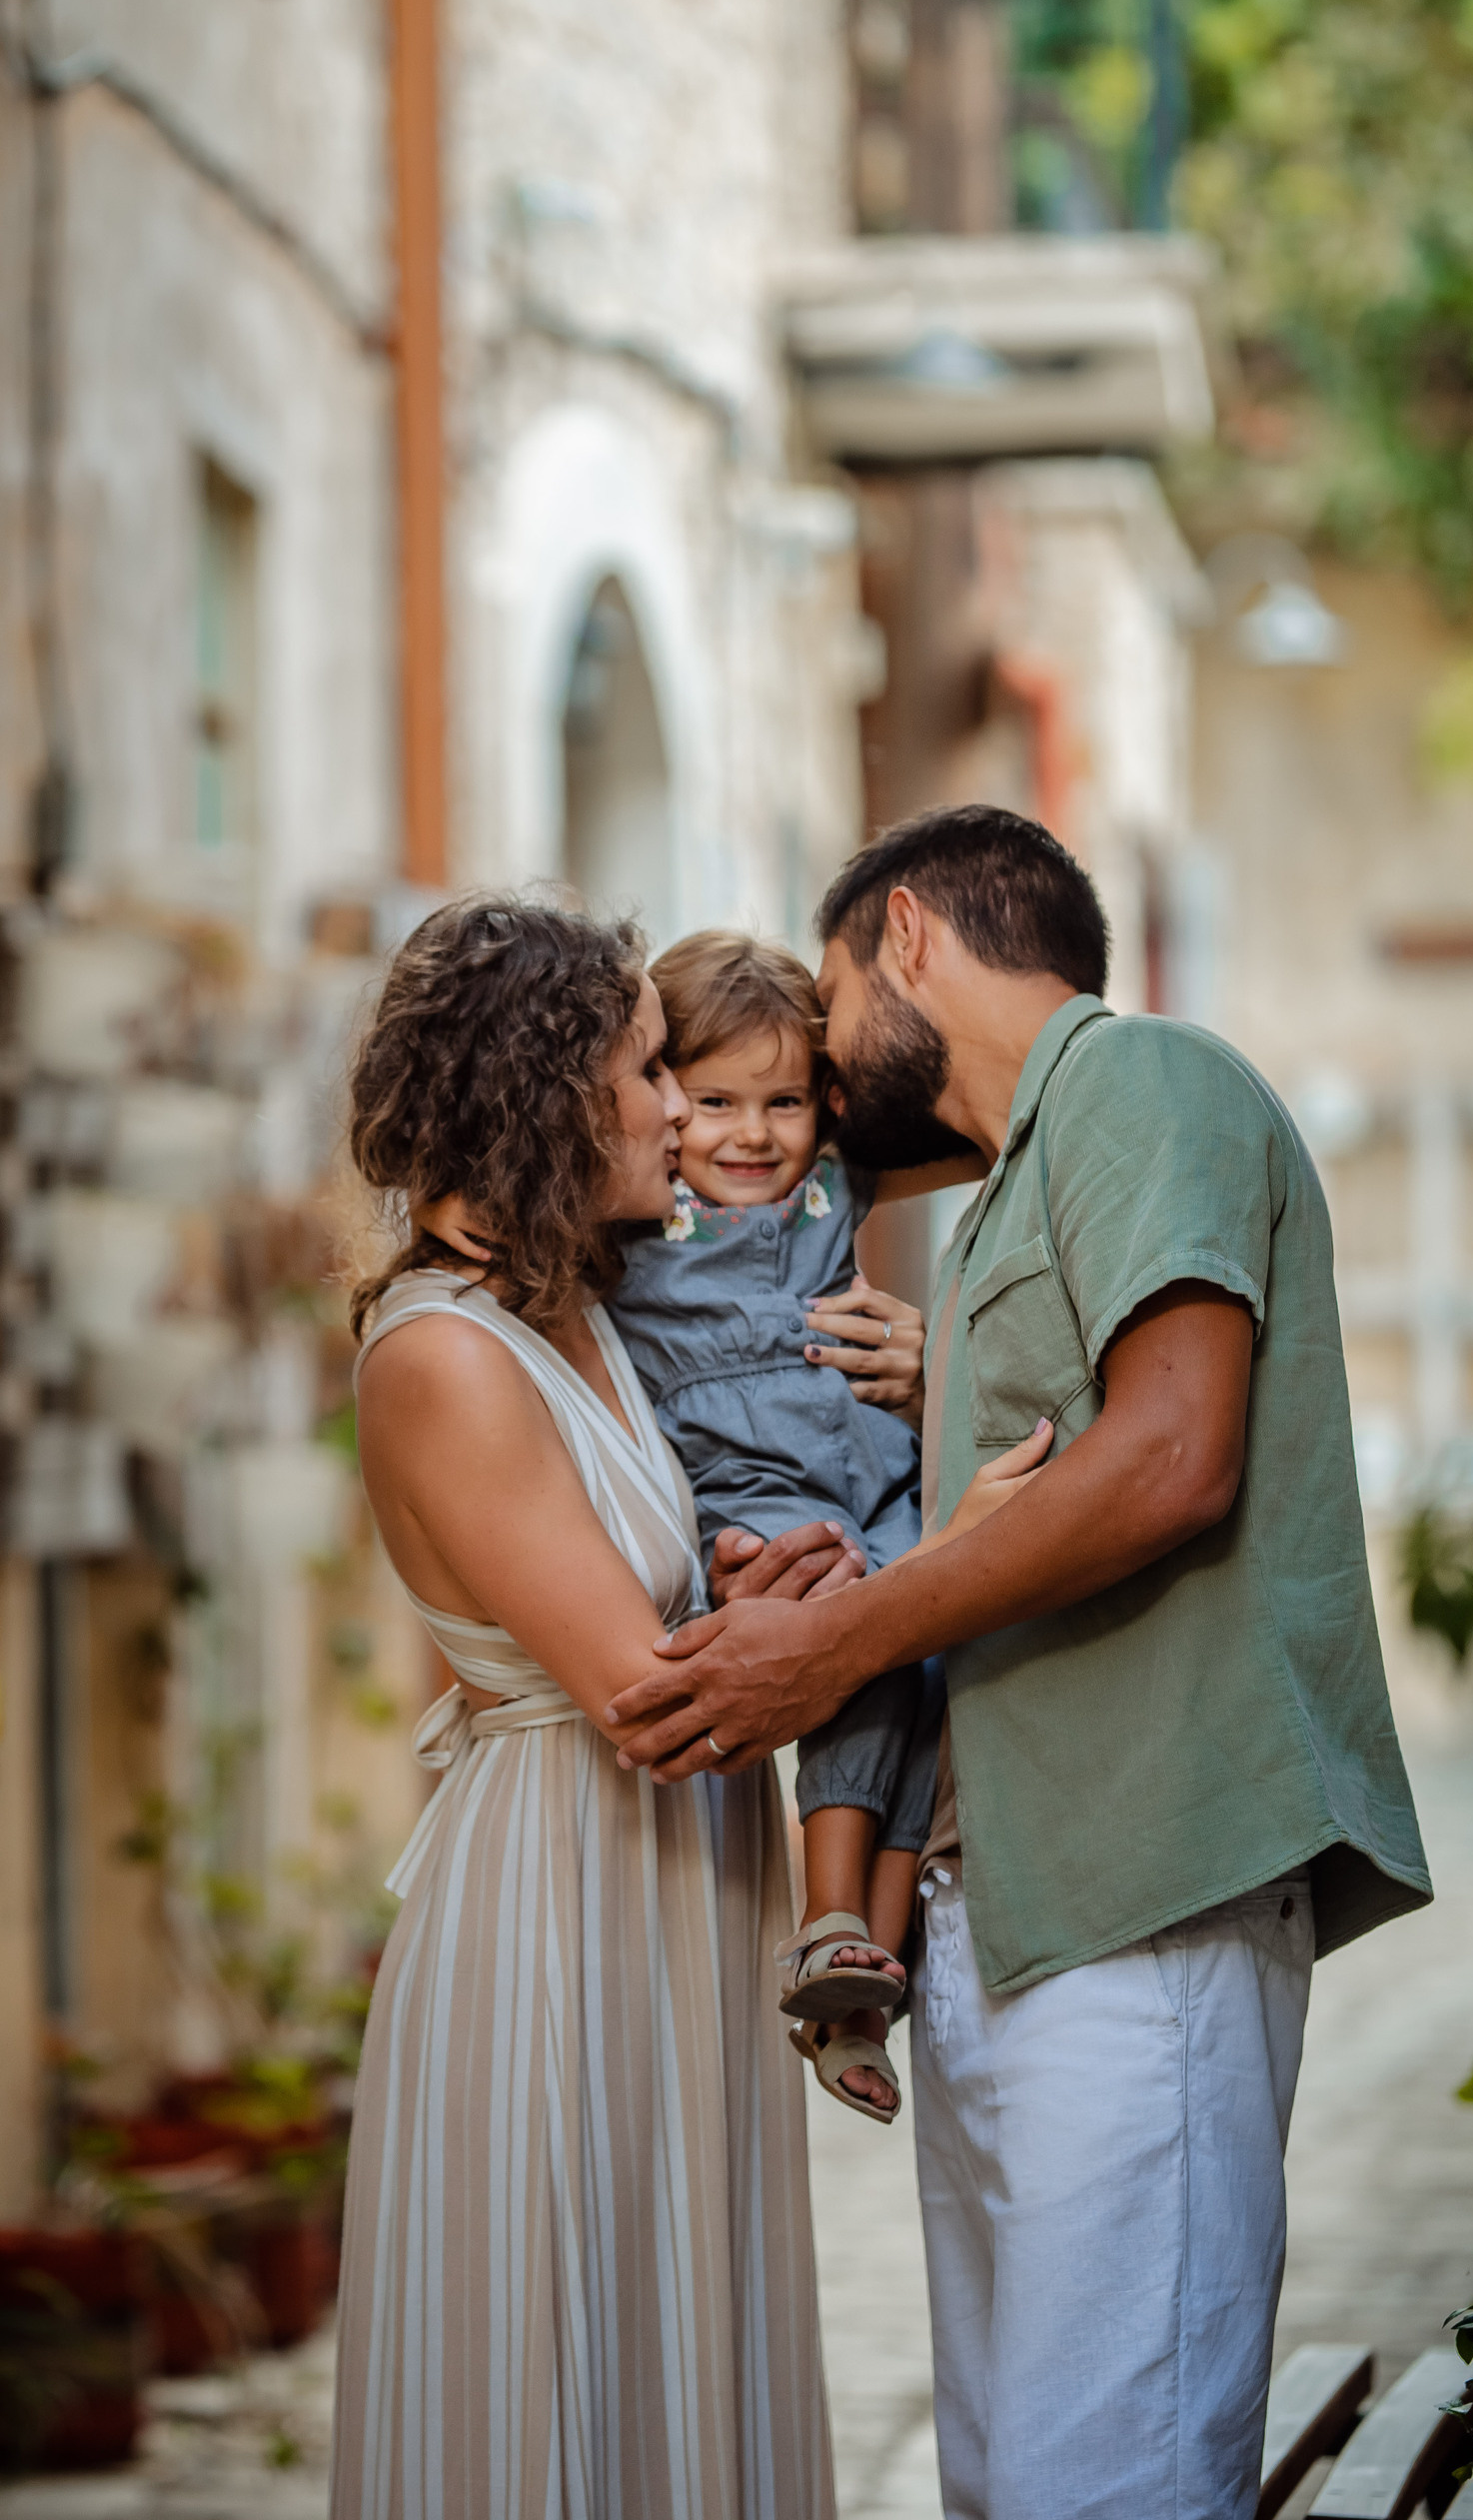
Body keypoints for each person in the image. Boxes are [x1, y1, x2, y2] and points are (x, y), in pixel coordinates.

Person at [605, 807, 1434, 2520]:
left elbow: (1169, 1459)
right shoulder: (1008, 1195)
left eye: (827, 1013)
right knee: (1012, 2481)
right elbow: (1035, 1439)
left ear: (906, 940)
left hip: (1146, 1885)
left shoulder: (1141, 1083)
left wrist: (829, 1638)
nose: (820, 1079)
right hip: (1000, 1903)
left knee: (1100, 2482)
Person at [328, 895, 837, 2520]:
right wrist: (929, 1574)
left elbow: (664, 1622)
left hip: (675, 1898)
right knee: (557, 2367)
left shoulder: (591, 1318)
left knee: (674, 2351)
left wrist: (761, 1592)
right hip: (556, 1907)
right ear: (548, 1094)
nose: (680, 1111)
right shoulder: (442, 1357)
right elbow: (645, 1699)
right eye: (645, 1072)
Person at [606, 929, 998, 2126]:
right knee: (865, 1649)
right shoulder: (635, 1202)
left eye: (782, 1100)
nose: (749, 1132)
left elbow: (985, 1119)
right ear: (665, 1093)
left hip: (875, 1472)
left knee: (935, 1672)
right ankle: (832, 1915)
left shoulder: (832, 1170)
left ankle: (856, 1990)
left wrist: (852, 1041)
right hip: (758, 1497)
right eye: (714, 1099)